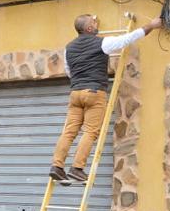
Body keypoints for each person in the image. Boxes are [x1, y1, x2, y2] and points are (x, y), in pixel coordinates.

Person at [50, 14, 162, 184]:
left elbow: (69, 71)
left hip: (75, 93)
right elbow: (128, 38)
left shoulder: (69, 48)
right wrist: (151, 25)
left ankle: (57, 167)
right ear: (88, 29)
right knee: (90, 132)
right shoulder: (101, 43)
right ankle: (77, 169)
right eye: (94, 23)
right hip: (94, 93)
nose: (96, 24)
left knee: (69, 132)